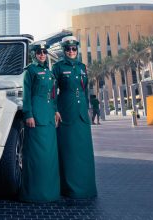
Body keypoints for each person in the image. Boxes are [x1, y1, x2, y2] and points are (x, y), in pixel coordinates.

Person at [53, 36, 97, 199]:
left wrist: (87, 108)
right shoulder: (58, 67)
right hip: (66, 112)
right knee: (69, 150)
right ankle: (69, 188)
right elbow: (52, 91)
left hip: (81, 114)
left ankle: (86, 187)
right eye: (68, 49)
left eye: (74, 49)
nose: (71, 51)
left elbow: (84, 89)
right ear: (64, 51)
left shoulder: (82, 67)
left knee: (84, 151)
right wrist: (55, 109)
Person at [20, 42, 61, 202]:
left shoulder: (49, 72)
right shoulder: (30, 71)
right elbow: (26, 95)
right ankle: (35, 193)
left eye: (44, 52)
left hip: (49, 117)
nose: (42, 54)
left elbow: (52, 95)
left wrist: (56, 110)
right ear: (34, 54)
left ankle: (50, 192)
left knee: (49, 155)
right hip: (36, 117)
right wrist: (28, 114)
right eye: (39, 52)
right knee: (36, 155)